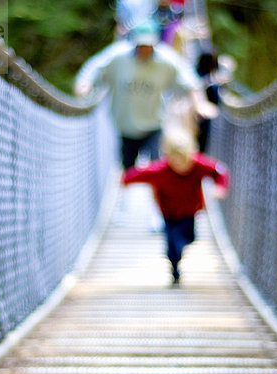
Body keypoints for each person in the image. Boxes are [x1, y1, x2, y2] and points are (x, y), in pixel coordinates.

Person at [74, 20, 217, 170]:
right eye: (141, 45)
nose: (144, 49)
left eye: (148, 45)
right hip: (126, 127)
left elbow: (190, 81)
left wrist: (199, 103)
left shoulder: (166, 59)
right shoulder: (117, 56)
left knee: (157, 170)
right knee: (128, 171)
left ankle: (155, 193)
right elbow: (92, 70)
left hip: (153, 125)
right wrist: (83, 86)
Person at [121, 128, 229, 286]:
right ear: (168, 157)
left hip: (189, 211)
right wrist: (125, 180)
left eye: (184, 160)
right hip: (168, 213)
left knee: (188, 237)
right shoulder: (161, 169)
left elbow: (220, 172)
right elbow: (140, 173)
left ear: (191, 154)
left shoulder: (198, 165)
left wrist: (220, 188)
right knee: (172, 244)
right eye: (175, 161)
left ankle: (177, 256)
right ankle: (174, 269)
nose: (181, 165)